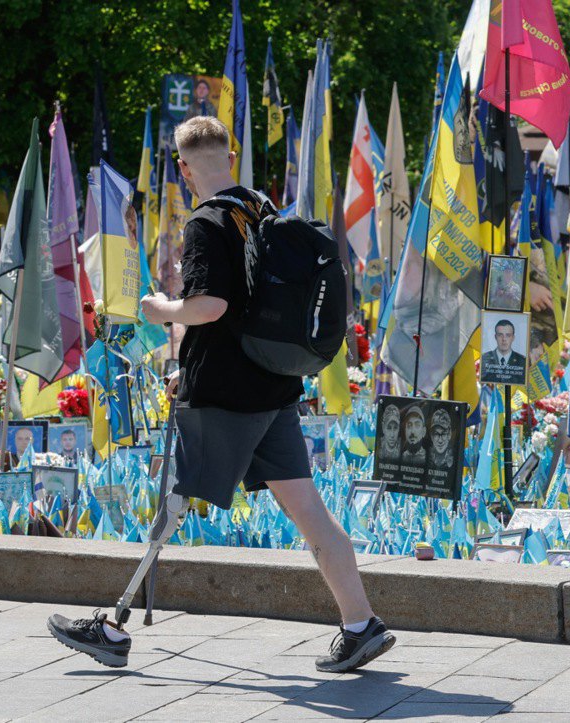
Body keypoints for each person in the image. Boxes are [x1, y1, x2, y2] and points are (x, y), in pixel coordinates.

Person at [47, 116, 394, 673]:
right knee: (310, 510)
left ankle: (112, 627)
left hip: (226, 395)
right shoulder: (261, 206)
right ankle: (361, 623)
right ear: (230, 157)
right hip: (273, 386)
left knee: (174, 501)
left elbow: (210, 307)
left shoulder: (206, 223)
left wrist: (159, 310)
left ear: (183, 169)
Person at [480, 319, 526, 385]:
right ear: (495, 337)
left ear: (513, 338)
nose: (504, 339)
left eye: (508, 335)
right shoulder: (484, 359)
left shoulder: (522, 361)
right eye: (500, 335)